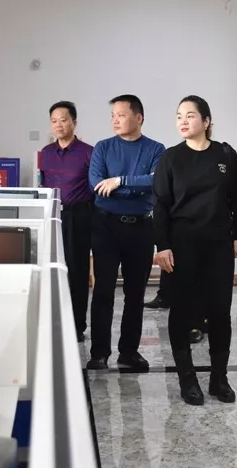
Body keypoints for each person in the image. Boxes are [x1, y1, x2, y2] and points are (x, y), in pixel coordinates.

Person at [153, 95, 237, 406]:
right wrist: (162, 246)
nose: (183, 121)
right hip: (182, 245)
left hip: (218, 244)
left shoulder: (225, 154)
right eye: (179, 115)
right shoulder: (170, 158)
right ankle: (187, 378)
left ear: (206, 122)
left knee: (220, 311)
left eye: (190, 115)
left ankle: (219, 378)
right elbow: (160, 206)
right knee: (182, 310)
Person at [86, 94, 165, 371]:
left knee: (135, 293)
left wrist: (120, 181)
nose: (115, 120)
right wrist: (134, 187)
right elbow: (96, 183)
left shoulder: (156, 149)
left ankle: (129, 352)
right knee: (103, 291)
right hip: (105, 227)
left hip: (141, 228)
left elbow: (155, 182)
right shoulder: (103, 147)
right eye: (113, 116)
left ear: (138, 117)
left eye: (121, 115)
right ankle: (99, 353)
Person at [39, 101, 94, 342]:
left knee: (77, 271)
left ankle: (76, 325)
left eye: (63, 120)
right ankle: (54, 321)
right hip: (52, 215)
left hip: (78, 217)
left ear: (74, 122)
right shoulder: (46, 153)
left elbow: (95, 187)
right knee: (51, 269)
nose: (58, 125)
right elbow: (43, 184)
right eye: (54, 121)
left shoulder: (88, 152)